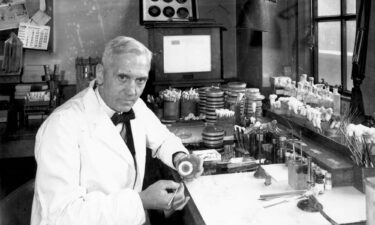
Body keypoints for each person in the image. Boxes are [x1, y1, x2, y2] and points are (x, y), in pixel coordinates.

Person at [31, 36, 203, 225]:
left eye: (140, 80)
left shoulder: (135, 106)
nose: (132, 91)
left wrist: (179, 158)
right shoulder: (61, 126)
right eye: (123, 77)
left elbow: (162, 139)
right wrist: (141, 201)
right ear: (100, 74)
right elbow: (61, 216)